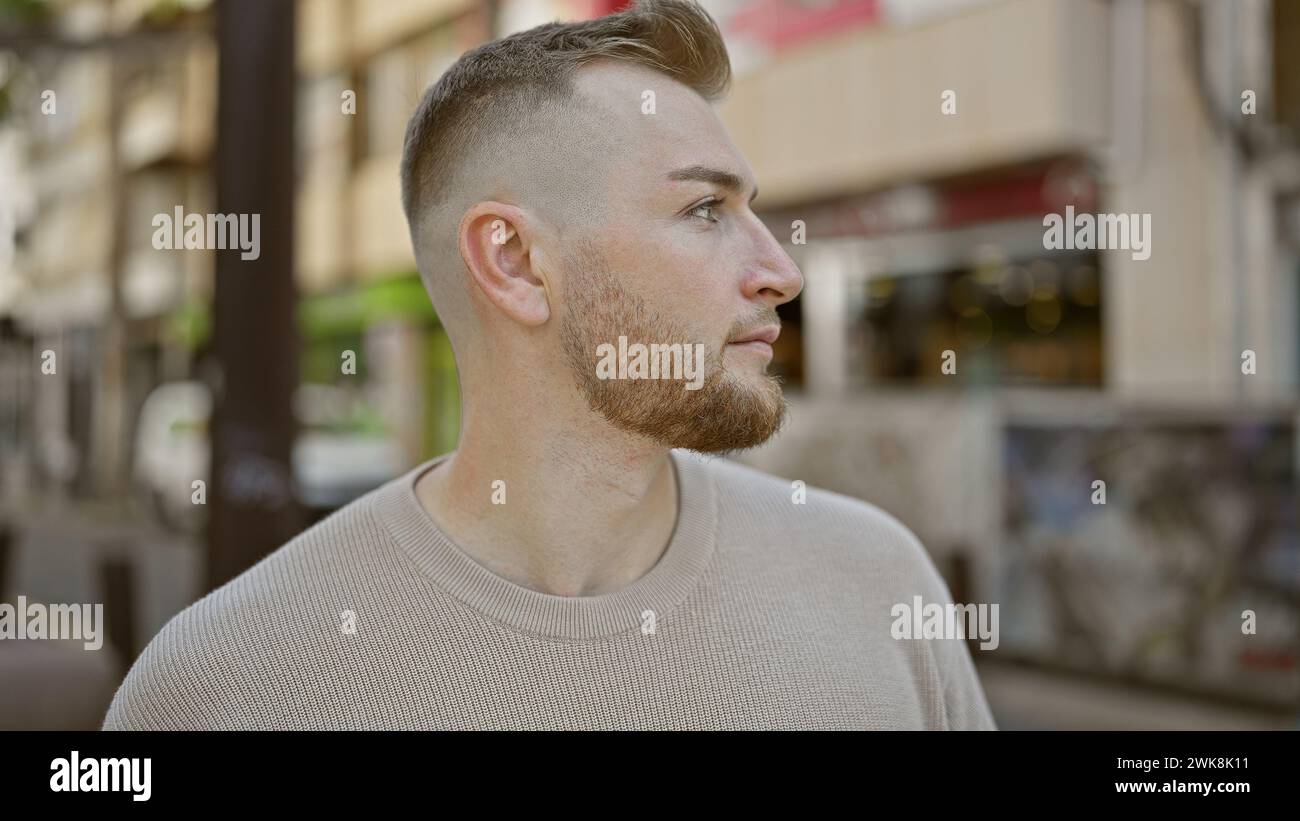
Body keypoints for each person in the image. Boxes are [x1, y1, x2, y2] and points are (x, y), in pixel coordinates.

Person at [103, 0, 995, 730]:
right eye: (703, 211)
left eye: (750, 208)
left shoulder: (880, 586)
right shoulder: (220, 688)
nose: (781, 271)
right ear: (516, 263)